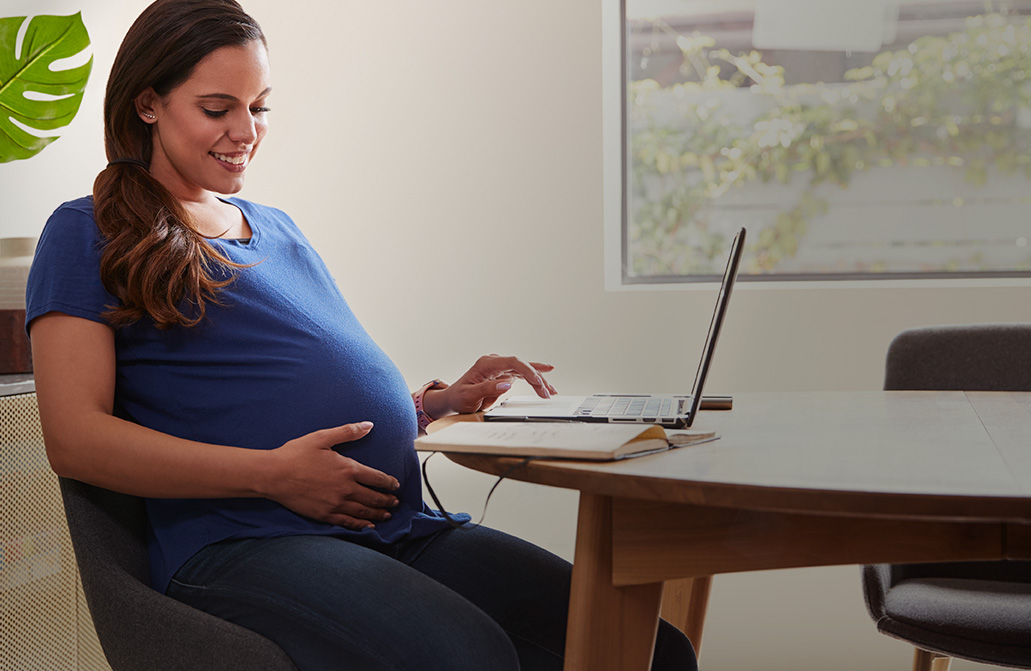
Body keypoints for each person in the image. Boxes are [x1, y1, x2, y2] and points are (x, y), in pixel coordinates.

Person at [26, 1, 698, 669]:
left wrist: (433, 403)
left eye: (259, 107)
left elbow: (294, 388)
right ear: (147, 103)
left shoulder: (275, 226)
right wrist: (272, 476)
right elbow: (73, 437)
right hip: (245, 537)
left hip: (394, 526)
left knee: (646, 647)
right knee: (468, 654)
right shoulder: (88, 231)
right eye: (216, 108)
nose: (245, 131)